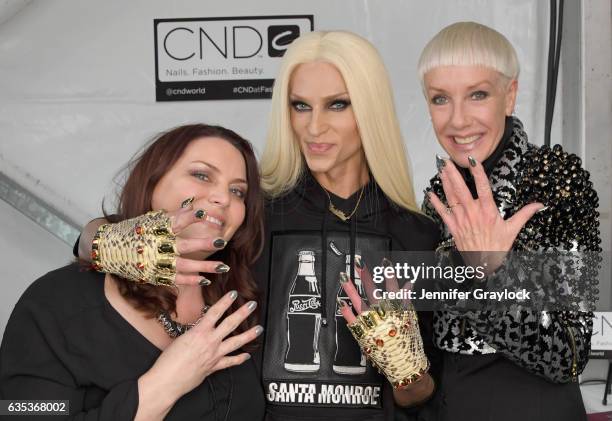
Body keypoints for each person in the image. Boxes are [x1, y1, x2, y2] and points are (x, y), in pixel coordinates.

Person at [72, 31, 441, 421]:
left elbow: (424, 397)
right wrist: (104, 240)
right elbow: (87, 243)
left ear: (371, 109)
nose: (314, 127)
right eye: (300, 106)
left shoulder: (417, 233)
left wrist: (407, 373)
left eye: (337, 105)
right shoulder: (253, 210)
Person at [0, 124, 266, 420]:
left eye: (237, 191)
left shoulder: (246, 292)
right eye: (201, 175)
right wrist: (166, 383)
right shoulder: (55, 303)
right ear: (152, 182)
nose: (223, 198)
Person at [418, 22, 601, 421]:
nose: (458, 120)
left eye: (478, 94)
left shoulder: (557, 181)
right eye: (440, 99)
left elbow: (571, 354)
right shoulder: (438, 197)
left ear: (510, 95)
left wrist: (492, 272)